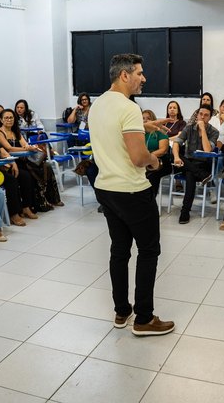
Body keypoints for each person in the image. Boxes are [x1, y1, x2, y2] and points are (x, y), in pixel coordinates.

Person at [88, 53, 174, 336]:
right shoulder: (129, 108)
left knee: (119, 250)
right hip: (132, 190)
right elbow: (138, 157)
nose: (143, 78)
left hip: (106, 189)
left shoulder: (98, 105)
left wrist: (143, 127)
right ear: (124, 75)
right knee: (149, 250)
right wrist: (155, 161)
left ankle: (122, 311)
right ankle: (144, 318)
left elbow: (112, 135)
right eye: (139, 73)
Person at [0, 108, 62, 211]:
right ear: (1, 120)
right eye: (6, 118)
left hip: (23, 159)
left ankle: (51, 199)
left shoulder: (16, 131)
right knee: (29, 174)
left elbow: (25, 144)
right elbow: (9, 148)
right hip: (11, 162)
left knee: (46, 166)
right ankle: (35, 204)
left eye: (11, 117)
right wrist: (25, 148)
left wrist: (30, 147)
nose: (9, 120)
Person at [172, 105, 219, 224]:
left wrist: (203, 130)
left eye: (206, 115)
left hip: (203, 164)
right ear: (197, 115)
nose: (202, 117)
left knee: (189, 173)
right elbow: (177, 143)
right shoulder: (189, 128)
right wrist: (177, 157)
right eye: (200, 114)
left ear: (210, 117)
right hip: (189, 163)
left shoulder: (214, 132)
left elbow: (208, 150)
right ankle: (185, 210)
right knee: (181, 158)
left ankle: (185, 211)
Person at [142, 109, 171, 197]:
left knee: (152, 175)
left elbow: (163, 150)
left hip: (160, 162)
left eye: (148, 118)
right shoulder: (139, 134)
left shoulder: (160, 133)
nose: (145, 120)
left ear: (154, 120)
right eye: (143, 118)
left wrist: (148, 157)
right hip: (143, 162)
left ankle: (149, 200)